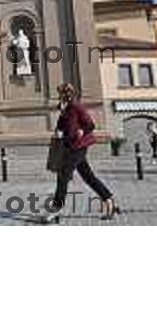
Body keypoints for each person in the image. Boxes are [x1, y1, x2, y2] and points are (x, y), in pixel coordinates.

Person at [50, 83, 119, 219]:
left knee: (63, 175)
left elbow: (91, 125)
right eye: (60, 94)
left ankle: (56, 209)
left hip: (78, 147)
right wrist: (62, 114)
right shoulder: (66, 109)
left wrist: (82, 130)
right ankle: (109, 199)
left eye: (62, 93)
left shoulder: (77, 107)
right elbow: (61, 127)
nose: (60, 96)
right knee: (89, 177)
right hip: (70, 146)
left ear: (68, 94)